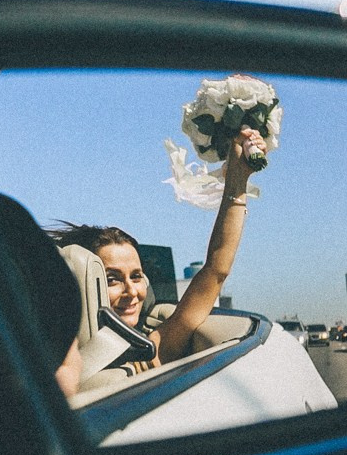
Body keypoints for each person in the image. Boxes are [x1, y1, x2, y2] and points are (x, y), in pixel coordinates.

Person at [51, 126, 263, 373]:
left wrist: (238, 178)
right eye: (112, 279)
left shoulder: (148, 352)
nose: (132, 291)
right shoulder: (44, 362)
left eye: (136, 277)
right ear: (81, 285)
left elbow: (216, 269)